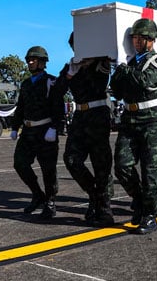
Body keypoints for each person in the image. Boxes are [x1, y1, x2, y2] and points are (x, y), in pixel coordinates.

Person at [109, 18, 157, 234]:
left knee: (150, 170)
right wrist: (117, 71)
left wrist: (125, 69)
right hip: (130, 118)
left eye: (139, 38)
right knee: (122, 165)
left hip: (152, 119)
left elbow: (146, 81)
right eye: (134, 37)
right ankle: (141, 201)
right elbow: (115, 91)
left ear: (150, 40)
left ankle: (149, 214)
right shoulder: (130, 62)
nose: (135, 41)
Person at [55, 33, 115, 226]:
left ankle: (104, 208)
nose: (77, 50)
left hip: (98, 113)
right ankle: (95, 196)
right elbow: (57, 91)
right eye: (74, 46)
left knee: (101, 163)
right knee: (71, 159)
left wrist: (85, 66)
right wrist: (69, 74)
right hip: (80, 116)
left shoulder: (101, 62)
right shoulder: (70, 66)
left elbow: (99, 84)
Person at [9, 46, 64, 219]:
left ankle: (50, 201)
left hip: (45, 130)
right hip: (28, 131)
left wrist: (55, 128)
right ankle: (37, 194)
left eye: (33, 60)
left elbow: (58, 107)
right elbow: (21, 108)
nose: (30, 63)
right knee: (20, 163)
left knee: (48, 169)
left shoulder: (51, 82)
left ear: (42, 62)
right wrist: (14, 127)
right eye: (29, 60)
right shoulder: (26, 83)